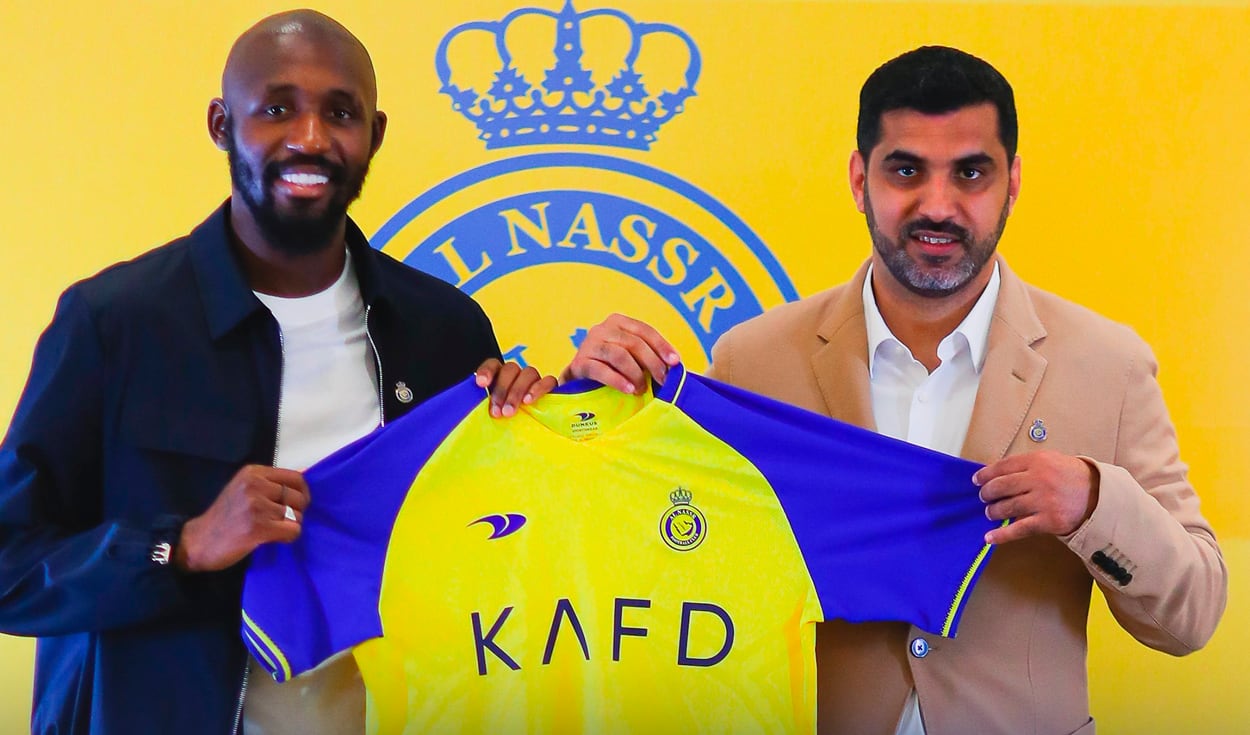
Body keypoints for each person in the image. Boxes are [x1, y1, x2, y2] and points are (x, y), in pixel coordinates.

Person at [566, 46, 1227, 734]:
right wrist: (596, 415)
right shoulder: (752, 361)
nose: (936, 205)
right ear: (859, 179)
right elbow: (664, 577)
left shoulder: (1106, 365)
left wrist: (1095, 500)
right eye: (906, 170)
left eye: (971, 172)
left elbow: (1192, 615)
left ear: (1014, 181)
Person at [0, 10, 554, 735]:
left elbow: (494, 557)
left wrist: (542, 436)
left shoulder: (444, 328)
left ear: (375, 136)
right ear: (222, 124)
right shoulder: (113, 324)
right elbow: (11, 567)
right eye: (277, 109)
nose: (311, 138)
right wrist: (185, 544)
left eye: (340, 112)